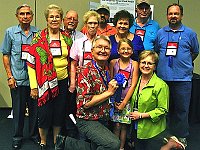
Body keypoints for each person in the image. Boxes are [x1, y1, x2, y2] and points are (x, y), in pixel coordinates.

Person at [26, 4, 72, 149]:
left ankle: (56, 142)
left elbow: (71, 60)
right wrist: (33, 86)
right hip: (44, 83)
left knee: (59, 113)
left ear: (61, 19)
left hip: (62, 81)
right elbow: (31, 64)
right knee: (45, 114)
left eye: (57, 16)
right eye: (51, 16)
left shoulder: (66, 37)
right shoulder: (38, 38)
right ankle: (44, 142)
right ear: (46, 19)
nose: (54, 19)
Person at [64, 35, 120, 150]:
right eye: (99, 47)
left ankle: (64, 143)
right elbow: (86, 103)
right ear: (92, 51)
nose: (103, 51)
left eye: (106, 48)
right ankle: (67, 144)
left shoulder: (106, 69)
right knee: (114, 144)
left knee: (99, 146)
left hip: (102, 117)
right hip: (88, 119)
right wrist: (109, 93)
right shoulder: (85, 71)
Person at [155, 3, 199, 148]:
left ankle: (181, 136)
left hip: (183, 79)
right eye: (170, 13)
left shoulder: (190, 33)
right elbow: (157, 51)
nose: (173, 16)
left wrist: (183, 64)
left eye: (176, 13)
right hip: (163, 78)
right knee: (163, 109)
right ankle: (165, 136)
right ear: (167, 15)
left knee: (181, 110)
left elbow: (195, 52)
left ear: (181, 15)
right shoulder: (161, 33)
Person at [0, 4, 39, 149]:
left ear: (32, 16)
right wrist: (9, 76)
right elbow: (6, 55)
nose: (25, 16)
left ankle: (34, 135)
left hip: (34, 80)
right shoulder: (10, 32)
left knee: (35, 110)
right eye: (22, 14)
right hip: (17, 79)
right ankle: (17, 136)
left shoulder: (38, 33)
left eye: (28, 14)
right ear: (17, 16)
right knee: (18, 110)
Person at [129, 50, 169, 150]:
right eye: (143, 62)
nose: (146, 66)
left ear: (154, 67)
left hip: (153, 131)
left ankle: (170, 144)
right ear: (139, 64)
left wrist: (141, 115)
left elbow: (162, 110)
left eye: (150, 63)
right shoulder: (136, 80)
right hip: (136, 127)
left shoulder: (161, 85)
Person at [109, 38, 139, 150]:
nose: (125, 51)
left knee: (124, 126)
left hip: (127, 100)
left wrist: (124, 103)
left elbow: (133, 85)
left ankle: (121, 147)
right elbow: (111, 82)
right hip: (115, 99)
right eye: (123, 48)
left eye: (128, 49)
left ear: (132, 51)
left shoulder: (135, 64)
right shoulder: (113, 63)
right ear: (118, 50)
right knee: (116, 125)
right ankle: (114, 147)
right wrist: (114, 100)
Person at [69, 10, 100, 94]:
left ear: (98, 25)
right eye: (90, 23)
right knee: (82, 104)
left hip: (98, 79)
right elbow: (73, 64)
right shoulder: (78, 42)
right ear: (85, 25)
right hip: (81, 79)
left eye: (95, 23)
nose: (92, 26)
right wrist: (72, 83)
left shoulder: (102, 41)